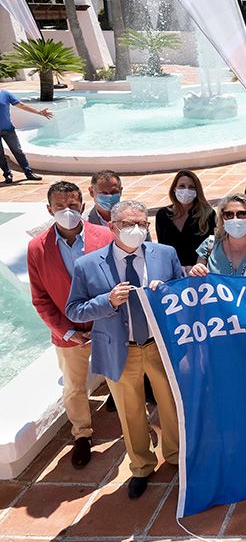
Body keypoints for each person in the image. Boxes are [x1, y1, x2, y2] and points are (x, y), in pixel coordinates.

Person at [65, 200, 185, 499]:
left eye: (142, 224)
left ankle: (175, 456)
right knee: (130, 412)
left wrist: (169, 293)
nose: (136, 230)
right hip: (121, 350)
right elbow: (74, 310)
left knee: (171, 405)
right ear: (112, 227)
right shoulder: (88, 265)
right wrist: (107, 301)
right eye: (128, 225)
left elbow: (183, 296)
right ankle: (142, 466)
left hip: (159, 346)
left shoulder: (165, 254)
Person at [27, 182, 113, 469]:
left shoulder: (104, 235)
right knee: (75, 387)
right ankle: (82, 435)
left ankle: (128, 424)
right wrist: (67, 331)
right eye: (60, 206)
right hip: (68, 333)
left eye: (72, 205)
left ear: (82, 206)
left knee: (120, 378)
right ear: (49, 209)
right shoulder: (37, 248)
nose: (67, 211)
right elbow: (39, 298)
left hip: (107, 326)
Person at [155, 170, 216, 270]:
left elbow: (211, 244)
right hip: (172, 271)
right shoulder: (163, 215)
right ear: (174, 189)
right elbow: (162, 248)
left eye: (191, 187)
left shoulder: (207, 214)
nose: (186, 191)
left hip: (198, 271)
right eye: (182, 186)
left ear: (197, 191)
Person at [86, 169, 152, 239]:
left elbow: (147, 245)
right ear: (91, 192)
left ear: (120, 191)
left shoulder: (136, 218)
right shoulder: (85, 222)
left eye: (114, 192)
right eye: (104, 193)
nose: (110, 196)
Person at [1, 89, 49, 183]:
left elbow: (21, 105)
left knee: (18, 151)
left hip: (8, 129)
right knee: (0, 155)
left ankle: (28, 173)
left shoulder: (4, 94)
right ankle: (7, 174)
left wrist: (39, 112)